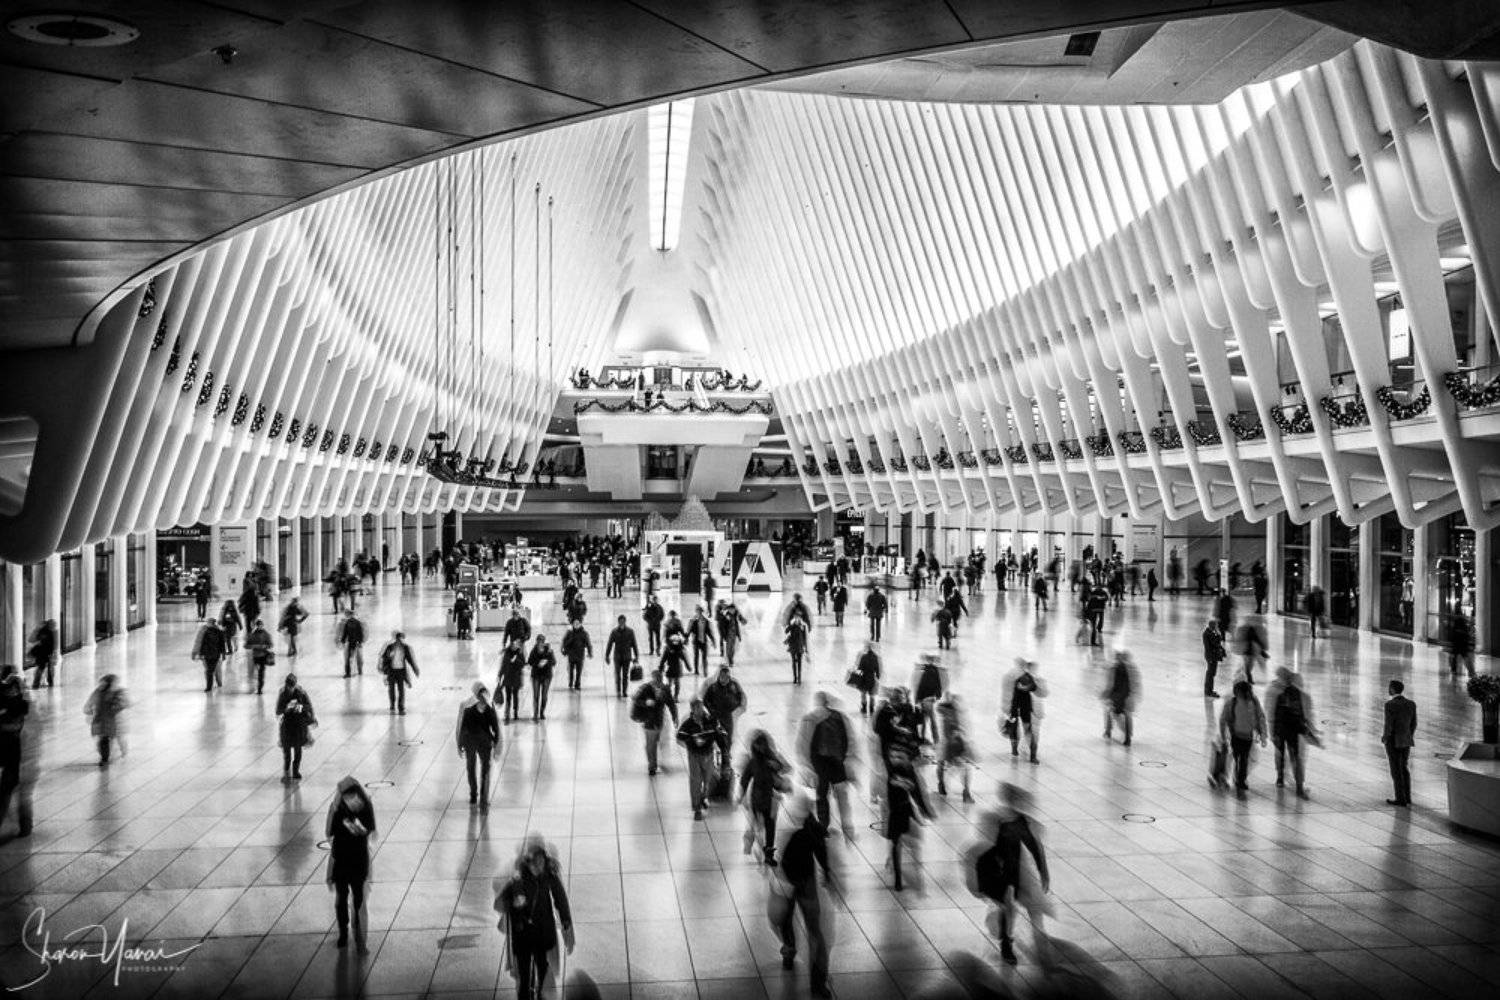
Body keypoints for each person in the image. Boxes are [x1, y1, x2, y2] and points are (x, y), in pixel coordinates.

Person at [971, 783, 1051, 966]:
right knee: (1006, 905)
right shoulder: (993, 819)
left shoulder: (1021, 821)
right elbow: (982, 847)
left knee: (1015, 905)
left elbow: (1034, 846)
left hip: (1013, 868)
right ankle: (1006, 942)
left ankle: (1020, 938)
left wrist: (1043, 871)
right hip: (996, 869)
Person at [496, 838, 574, 1000]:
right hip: (523, 933)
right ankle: (525, 994)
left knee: (542, 967)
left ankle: (541, 995)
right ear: (528, 863)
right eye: (534, 863)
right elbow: (500, 902)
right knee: (524, 974)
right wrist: (514, 902)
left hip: (541, 932)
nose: (538, 867)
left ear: (545, 860)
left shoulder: (549, 876)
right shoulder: (518, 879)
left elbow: (560, 897)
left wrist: (565, 919)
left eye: (540, 862)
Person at [771, 809, 834, 999]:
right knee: (814, 930)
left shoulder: (782, 819)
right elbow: (820, 846)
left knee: (786, 918)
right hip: (806, 880)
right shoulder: (809, 823)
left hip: (786, 879)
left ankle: (789, 949)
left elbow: (772, 848)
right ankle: (818, 985)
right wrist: (826, 871)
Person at [326, 776, 375, 951]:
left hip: (355, 860)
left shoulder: (363, 808)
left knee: (356, 901)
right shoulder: (338, 809)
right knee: (342, 900)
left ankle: (355, 935)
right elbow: (330, 832)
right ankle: (344, 933)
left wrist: (352, 825)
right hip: (345, 859)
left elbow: (368, 829)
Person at [799, 691, 855, 841]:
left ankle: (824, 826)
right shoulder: (838, 716)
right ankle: (844, 825)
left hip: (820, 763)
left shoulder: (810, 719)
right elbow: (849, 738)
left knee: (822, 795)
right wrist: (847, 758)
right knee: (840, 794)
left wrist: (806, 764)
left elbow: (803, 743)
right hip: (835, 762)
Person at [736, 730, 792, 866]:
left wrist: (777, 766)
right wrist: (740, 795)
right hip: (758, 798)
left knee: (770, 827)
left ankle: (768, 854)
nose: (760, 748)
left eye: (762, 745)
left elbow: (787, 768)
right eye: (757, 745)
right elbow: (744, 779)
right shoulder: (753, 762)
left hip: (770, 799)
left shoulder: (772, 759)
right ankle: (756, 845)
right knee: (756, 825)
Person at [884, 747, 934, 891]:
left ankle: (900, 868)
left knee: (906, 843)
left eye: (898, 757)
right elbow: (904, 786)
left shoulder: (908, 771)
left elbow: (915, 791)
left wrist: (924, 810)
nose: (894, 759)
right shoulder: (893, 772)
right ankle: (898, 877)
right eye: (892, 756)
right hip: (895, 812)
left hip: (905, 811)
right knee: (896, 843)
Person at [1266, 668, 1319, 798]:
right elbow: (1300, 716)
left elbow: (1277, 714)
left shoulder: (1280, 693)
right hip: (1290, 731)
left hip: (1286, 731)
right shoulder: (1284, 694)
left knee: (1286, 756)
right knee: (1293, 757)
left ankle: (1285, 779)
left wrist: (1273, 731)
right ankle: (1291, 783)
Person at [676, 698, 724, 820]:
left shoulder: (711, 720)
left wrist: (721, 749)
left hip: (708, 754)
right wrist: (691, 744)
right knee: (696, 781)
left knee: (707, 780)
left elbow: (719, 734)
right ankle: (697, 808)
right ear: (692, 709)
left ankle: (704, 796)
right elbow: (679, 737)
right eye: (697, 707)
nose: (700, 710)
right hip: (694, 756)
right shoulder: (688, 723)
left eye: (701, 707)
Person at [1218, 680, 1266, 798]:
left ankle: (1239, 782)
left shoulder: (1253, 702)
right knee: (1239, 759)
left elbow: (1260, 717)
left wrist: (1262, 733)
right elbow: (1223, 719)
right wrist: (1223, 735)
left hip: (1247, 737)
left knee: (1242, 760)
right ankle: (1238, 781)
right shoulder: (1233, 703)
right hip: (1236, 736)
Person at [456, 682, 501, 806]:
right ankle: (474, 793)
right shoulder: (468, 709)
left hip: (484, 744)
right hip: (471, 743)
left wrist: (495, 743)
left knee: (484, 770)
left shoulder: (489, 710)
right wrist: (459, 744)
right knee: (472, 768)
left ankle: (482, 796)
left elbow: (496, 728)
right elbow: (462, 728)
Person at [630, 669, 678, 776]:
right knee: (651, 744)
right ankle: (652, 766)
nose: (657, 683)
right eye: (655, 680)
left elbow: (671, 704)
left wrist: (675, 717)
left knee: (654, 743)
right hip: (648, 721)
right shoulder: (646, 688)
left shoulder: (665, 689)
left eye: (659, 680)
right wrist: (646, 702)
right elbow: (636, 699)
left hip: (659, 721)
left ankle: (653, 763)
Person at [1001, 658, 1047, 764]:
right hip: (1020, 708)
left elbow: (1038, 690)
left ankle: (1019, 752)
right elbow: (1038, 690)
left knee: (1020, 729)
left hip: (1018, 708)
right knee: (1024, 730)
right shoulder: (1022, 677)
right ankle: (1028, 755)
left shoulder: (1024, 677)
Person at [702, 665, 746, 773]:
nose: (724, 679)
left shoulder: (734, 685)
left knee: (728, 738)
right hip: (716, 716)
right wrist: (712, 711)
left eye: (726, 677)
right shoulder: (713, 687)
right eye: (722, 676)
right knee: (717, 737)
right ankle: (717, 756)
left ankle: (726, 760)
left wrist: (735, 706)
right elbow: (706, 700)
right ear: (719, 676)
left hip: (728, 716)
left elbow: (740, 697)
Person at [1382, 679, 1417, 807]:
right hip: (1406, 740)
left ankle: (1400, 798)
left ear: (1392, 689)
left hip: (1393, 741)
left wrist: (1385, 737)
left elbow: (1389, 724)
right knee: (1404, 768)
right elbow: (1414, 723)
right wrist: (1408, 735)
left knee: (1395, 769)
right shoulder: (1411, 704)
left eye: (1389, 687)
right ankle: (1407, 797)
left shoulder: (1390, 705)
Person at [276, 673, 315, 782]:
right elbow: (278, 710)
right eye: (289, 686)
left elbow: (309, 706)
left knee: (298, 750)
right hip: (287, 725)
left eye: (292, 686)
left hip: (299, 725)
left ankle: (296, 771)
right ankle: (286, 771)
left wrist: (301, 707)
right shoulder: (282, 693)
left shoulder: (301, 693)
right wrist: (286, 709)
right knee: (286, 752)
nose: (290, 689)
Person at [935, 693, 973, 802]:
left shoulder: (944, 713)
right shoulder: (955, 714)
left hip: (950, 742)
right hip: (955, 742)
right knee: (964, 766)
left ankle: (942, 784)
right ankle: (966, 791)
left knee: (941, 763)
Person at [84, 674, 127, 766]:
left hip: (115, 721)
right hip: (102, 721)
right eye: (101, 683)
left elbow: (125, 703)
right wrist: (89, 711)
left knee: (117, 738)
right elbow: (90, 702)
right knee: (104, 739)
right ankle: (105, 756)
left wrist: (116, 706)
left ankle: (121, 750)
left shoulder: (118, 692)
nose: (102, 685)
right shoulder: (98, 692)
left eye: (105, 683)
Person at [1101, 650, 1139, 747]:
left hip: (1118, 696)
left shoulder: (1114, 668)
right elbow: (1135, 684)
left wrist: (1105, 694)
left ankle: (1108, 731)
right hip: (1126, 696)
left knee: (1109, 710)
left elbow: (1110, 684)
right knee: (1126, 714)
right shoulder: (1132, 668)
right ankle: (1127, 736)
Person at [377, 630, 419, 715]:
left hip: (401, 671)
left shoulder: (405, 648)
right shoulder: (389, 647)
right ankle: (392, 705)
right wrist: (383, 667)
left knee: (401, 690)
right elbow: (384, 658)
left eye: (401, 639)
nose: (400, 641)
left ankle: (401, 707)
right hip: (391, 671)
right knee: (391, 689)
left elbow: (410, 659)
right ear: (395, 639)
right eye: (398, 639)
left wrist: (415, 669)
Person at [911, 654, 945, 744]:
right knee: (929, 720)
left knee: (926, 720)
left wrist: (917, 699)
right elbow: (939, 685)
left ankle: (925, 739)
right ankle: (935, 739)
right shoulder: (934, 670)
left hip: (926, 699)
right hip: (929, 699)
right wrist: (937, 696)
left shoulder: (927, 672)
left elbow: (922, 686)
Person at [604, 615, 639, 699]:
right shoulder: (614, 632)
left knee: (625, 675)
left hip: (627, 657)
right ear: (618, 622)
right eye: (620, 621)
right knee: (618, 675)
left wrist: (636, 656)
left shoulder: (630, 631)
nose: (621, 623)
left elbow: (634, 644)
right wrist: (607, 656)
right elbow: (610, 644)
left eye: (623, 621)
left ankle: (624, 691)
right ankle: (619, 691)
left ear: (625, 622)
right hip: (617, 657)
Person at [191, 616, 227, 693]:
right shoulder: (206, 630)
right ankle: (212, 684)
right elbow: (199, 642)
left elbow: (222, 644)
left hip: (212, 654)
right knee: (211, 670)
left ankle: (214, 684)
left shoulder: (215, 631)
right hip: (208, 654)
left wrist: (223, 654)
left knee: (211, 670)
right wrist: (196, 653)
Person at [497, 638, 526, 723]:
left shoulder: (520, 653)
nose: (514, 647)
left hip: (516, 677)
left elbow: (523, 664)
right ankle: (507, 713)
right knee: (508, 696)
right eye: (513, 645)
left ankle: (515, 712)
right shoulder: (507, 653)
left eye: (515, 645)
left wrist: (515, 660)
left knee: (515, 695)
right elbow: (503, 665)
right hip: (508, 677)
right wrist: (499, 675)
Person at [528, 635, 556, 721]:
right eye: (538, 642)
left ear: (544, 643)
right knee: (536, 695)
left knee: (544, 696)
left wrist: (546, 662)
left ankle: (542, 712)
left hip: (546, 676)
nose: (540, 644)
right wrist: (538, 663)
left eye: (541, 642)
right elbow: (529, 661)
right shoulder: (533, 651)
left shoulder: (549, 651)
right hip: (536, 675)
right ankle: (535, 714)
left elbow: (554, 662)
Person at [849, 643, 882, 714]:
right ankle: (871, 708)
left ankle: (864, 708)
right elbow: (877, 669)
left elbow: (860, 668)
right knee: (872, 694)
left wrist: (856, 675)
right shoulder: (875, 657)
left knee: (863, 694)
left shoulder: (864, 657)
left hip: (864, 678)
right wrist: (878, 677)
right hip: (872, 678)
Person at [560, 619, 592, 691]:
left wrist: (590, 652)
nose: (576, 625)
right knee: (571, 670)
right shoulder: (569, 633)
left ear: (580, 624)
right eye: (575, 624)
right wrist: (564, 649)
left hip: (580, 655)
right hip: (571, 655)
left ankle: (577, 683)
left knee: (579, 670)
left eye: (577, 624)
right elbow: (564, 642)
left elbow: (588, 643)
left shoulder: (584, 633)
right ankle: (571, 682)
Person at [245, 618, 274, 694]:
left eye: (261, 625)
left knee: (261, 673)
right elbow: (246, 645)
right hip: (255, 656)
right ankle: (256, 687)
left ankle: (259, 688)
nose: (260, 627)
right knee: (256, 673)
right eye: (258, 625)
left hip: (263, 656)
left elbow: (271, 644)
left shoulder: (266, 634)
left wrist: (265, 646)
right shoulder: (252, 635)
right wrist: (256, 646)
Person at [27, 619, 58, 690]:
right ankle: (37, 683)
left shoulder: (46, 631)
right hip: (44, 653)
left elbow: (31, 640)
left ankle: (39, 683)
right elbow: (31, 640)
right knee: (43, 668)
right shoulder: (47, 632)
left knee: (44, 668)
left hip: (44, 653)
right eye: (53, 625)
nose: (54, 626)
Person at [659, 633, 690, 699]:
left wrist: (660, 667)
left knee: (672, 683)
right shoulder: (679, 650)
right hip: (675, 668)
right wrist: (688, 667)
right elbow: (685, 659)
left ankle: (673, 696)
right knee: (675, 683)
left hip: (672, 668)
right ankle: (674, 696)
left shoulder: (668, 649)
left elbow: (663, 659)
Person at [716, 601, 747, 666]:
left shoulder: (736, 614)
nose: (733, 611)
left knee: (732, 648)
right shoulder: (726, 615)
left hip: (734, 634)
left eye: (734, 609)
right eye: (732, 609)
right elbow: (721, 625)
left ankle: (730, 660)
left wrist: (740, 615)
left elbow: (744, 622)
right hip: (728, 634)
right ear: (729, 609)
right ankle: (730, 661)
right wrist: (723, 635)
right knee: (729, 648)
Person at [687, 607, 717, 676]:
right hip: (696, 642)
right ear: (696, 612)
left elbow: (709, 632)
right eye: (698, 612)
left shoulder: (706, 621)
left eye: (700, 612)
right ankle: (696, 671)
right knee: (696, 656)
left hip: (704, 641)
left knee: (704, 657)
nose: (699, 613)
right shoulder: (693, 621)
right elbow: (689, 630)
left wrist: (713, 640)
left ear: (702, 612)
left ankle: (705, 671)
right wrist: (686, 639)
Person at [1202, 618, 1227, 698]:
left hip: (1213, 656)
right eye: (1215, 625)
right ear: (1212, 625)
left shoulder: (1212, 632)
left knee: (1212, 673)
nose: (1216, 627)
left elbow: (1218, 641)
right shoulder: (1207, 634)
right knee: (1210, 673)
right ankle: (1208, 691)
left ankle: (1209, 690)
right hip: (1211, 657)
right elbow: (1214, 643)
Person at [336, 609, 366, 677]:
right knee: (356, 657)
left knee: (350, 658)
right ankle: (357, 671)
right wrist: (360, 642)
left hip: (352, 642)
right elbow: (360, 633)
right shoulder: (355, 622)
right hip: (355, 642)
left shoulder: (351, 622)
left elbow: (345, 633)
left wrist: (342, 641)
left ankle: (350, 672)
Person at [1448, 613, 1476, 679]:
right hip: (1462, 643)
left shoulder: (1456, 624)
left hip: (1457, 643)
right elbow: (1467, 635)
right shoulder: (1463, 625)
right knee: (1465, 656)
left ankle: (1454, 670)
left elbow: (1453, 635)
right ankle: (1471, 672)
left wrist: (1452, 643)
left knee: (1454, 656)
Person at [784, 617, 810, 685]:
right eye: (796, 619)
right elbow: (786, 631)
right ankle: (795, 678)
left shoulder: (803, 627)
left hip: (800, 647)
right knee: (794, 662)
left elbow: (805, 638)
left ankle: (799, 678)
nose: (797, 620)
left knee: (799, 663)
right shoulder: (792, 626)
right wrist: (791, 624)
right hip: (793, 647)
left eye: (798, 619)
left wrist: (806, 649)